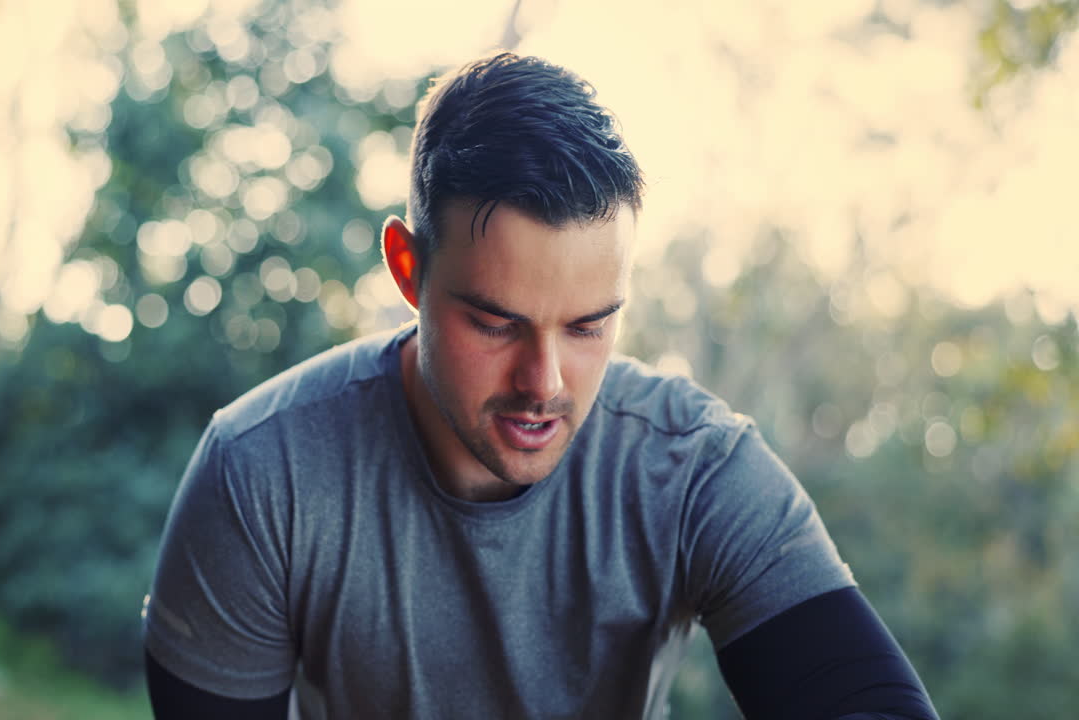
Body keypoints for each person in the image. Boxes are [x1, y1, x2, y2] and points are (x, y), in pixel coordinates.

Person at [142, 52, 939, 720]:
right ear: (407, 269)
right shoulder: (261, 471)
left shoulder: (696, 471)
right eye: (496, 323)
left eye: (589, 325)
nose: (545, 383)